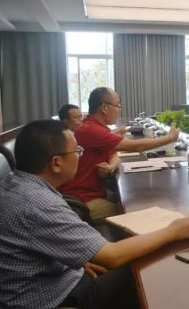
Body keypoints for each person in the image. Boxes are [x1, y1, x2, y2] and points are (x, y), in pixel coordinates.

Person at [0, 120, 189, 309]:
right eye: (77, 151)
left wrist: (77, 259)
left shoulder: (14, 183)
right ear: (56, 163)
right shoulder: (37, 203)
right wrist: (171, 231)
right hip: (50, 307)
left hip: (47, 284)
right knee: (145, 266)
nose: (80, 155)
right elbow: (113, 256)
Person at [60, 87, 180, 219]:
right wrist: (169, 138)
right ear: (104, 108)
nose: (119, 110)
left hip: (94, 192)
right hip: (82, 199)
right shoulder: (91, 130)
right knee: (135, 211)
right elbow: (137, 146)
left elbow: (114, 154)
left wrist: (111, 167)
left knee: (135, 196)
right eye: (118, 105)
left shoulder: (96, 127)